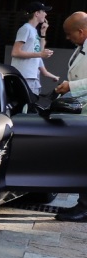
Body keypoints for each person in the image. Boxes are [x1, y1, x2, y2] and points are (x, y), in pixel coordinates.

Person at [52, 11, 87, 221]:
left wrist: (70, 86)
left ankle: (84, 207)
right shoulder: (81, 47)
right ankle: (82, 205)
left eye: (69, 34)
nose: (67, 38)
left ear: (81, 31)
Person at [11, 3, 55, 96]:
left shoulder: (34, 30)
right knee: (27, 105)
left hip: (32, 75)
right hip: (25, 75)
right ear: (36, 13)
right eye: (43, 11)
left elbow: (40, 52)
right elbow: (15, 52)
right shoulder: (26, 29)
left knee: (30, 105)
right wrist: (40, 54)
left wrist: (43, 33)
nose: (46, 14)